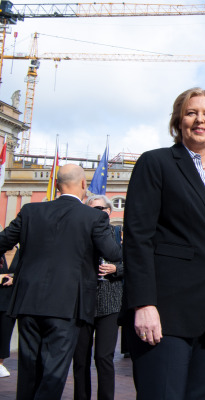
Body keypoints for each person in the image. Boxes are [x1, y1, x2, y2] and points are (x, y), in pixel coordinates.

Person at [122, 87, 205, 400]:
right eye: (191, 113)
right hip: (166, 312)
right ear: (178, 122)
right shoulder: (156, 164)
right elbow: (139, 239)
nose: (199, 120)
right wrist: (144, 303)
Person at [0, 164, 121, 399]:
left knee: (28, 369)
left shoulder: (30, 211)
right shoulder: (94, 217)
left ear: (56, 185)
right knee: (54, 372)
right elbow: (114, 253)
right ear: (84, 185)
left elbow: (3, 241)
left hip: (28, 302)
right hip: (68, 305)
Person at [73, 195, 124, 400]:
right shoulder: (80, 234)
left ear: (109, 212)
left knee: (104, 357)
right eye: (92, 208)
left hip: (110, 301)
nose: (96, 212)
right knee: (80, 358)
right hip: (83, 302)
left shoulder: (117, 235)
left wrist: (115, 269)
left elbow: (133, 265)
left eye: (100, 208)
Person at [0, 246, 18, 378]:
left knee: (5, 334)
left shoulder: (22, 253)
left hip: (10, 301)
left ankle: (0, 363)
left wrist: (14, 278)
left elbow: (26, 271)